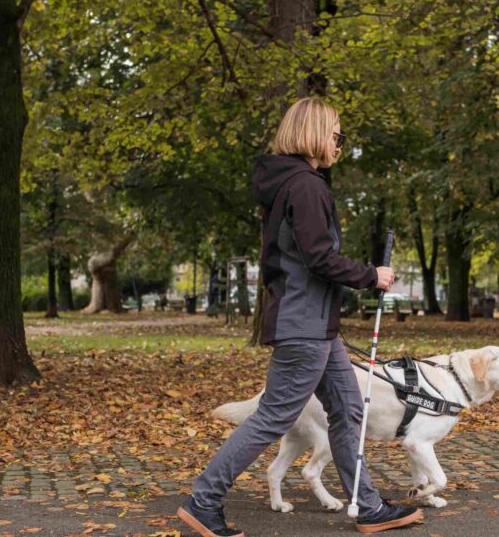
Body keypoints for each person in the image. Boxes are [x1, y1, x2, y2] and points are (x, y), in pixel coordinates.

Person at [178, 98, 423, 536]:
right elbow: (318, 258)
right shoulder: (305, 186)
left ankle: (366, 505)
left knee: (348, 410)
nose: (338, 143)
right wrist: (372, 275)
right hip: (303, 323)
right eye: (335, 134)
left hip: (316, 324)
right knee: (273, 416)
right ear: (313, 133)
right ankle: (204, 499)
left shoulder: (290, 184)